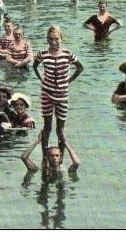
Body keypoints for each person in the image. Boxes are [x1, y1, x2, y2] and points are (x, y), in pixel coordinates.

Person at [32, 26, 84, 160]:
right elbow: (35, 66)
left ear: (61, 38)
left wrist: (68, 81)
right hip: (47, 94)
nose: (53, 42)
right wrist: (41, 78)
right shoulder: (43, 54)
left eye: (56, 39)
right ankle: (45, 156)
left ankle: (60, 157)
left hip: (62, 95)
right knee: (47, 126)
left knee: (60, 129)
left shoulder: (67, 54)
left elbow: (80, 68)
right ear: (47, 39)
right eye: (50, 39)